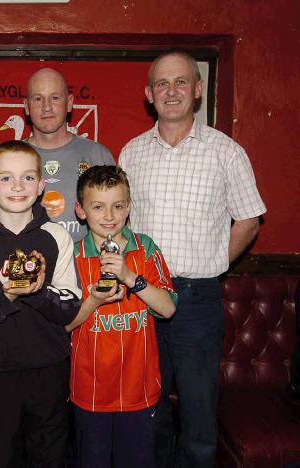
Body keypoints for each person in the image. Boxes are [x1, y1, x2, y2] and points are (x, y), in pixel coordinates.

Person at [119, 50, 267, 467]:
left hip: (197, 299)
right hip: (141, 300)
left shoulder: (226, 152)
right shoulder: (131, 153)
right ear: (149, 94)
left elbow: (249, 220)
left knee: (199, 418)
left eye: (181, 81)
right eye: (162, 84)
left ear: (197, 89)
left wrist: (215, 266)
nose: (171, 91)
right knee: (149, 409)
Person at [0, 140, 82, 467]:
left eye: (28, 178)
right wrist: (10, 294)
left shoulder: (56, 237)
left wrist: (38, 291)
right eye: (5, 178)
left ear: (41, 186)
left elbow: (70, 305)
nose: (17, 186)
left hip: (49, 368)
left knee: (49, 454)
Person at [65, 165, 177, 467]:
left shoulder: (145, 248)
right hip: (90, 390)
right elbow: (63, 324)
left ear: (128, 207)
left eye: (118, 206)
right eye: (98, 207)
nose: (109, 216)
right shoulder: (72, 256)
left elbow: (167, 309)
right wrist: (93, 300)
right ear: (80, 210)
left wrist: (130, 276)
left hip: (138, 388)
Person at [24, 67, 115, 242]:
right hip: (28, 267)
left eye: (55, 98)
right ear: (26, 106)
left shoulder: (97, 155)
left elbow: (117, 224)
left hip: (85, 268)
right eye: (38, 99)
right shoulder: (9, 159)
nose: (46, 107)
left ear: (70, 102)